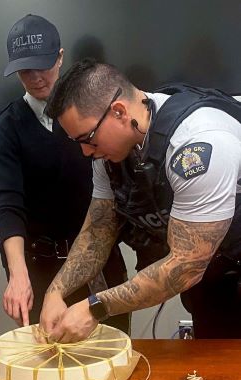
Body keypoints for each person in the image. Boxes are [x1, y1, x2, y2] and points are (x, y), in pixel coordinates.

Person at [40, 58, 241, 342]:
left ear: (119, 111)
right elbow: (98, 231)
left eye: (88, 139)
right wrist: (56, 291)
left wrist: (96, 307)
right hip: (214, 279)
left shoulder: (197, 147)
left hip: (214, 266)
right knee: (215, 375)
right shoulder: (110, 155)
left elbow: (185, 267)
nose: (86, 152)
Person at [0, 15, 129, 330]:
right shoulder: (8, 127)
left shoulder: (97, 115)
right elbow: (7, 204)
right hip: (40, 268)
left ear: (61, 57)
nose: (37, 77)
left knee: (112, 357)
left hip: (99, 262)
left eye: (44, 66)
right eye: (26, 70)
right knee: (47, 365)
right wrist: (18, 274)